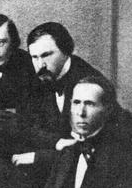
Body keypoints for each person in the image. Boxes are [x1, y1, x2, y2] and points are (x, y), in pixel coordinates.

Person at [11, 22, 105, 170]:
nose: (40, 65)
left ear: (66, 51)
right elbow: (24, 127)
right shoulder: (35, 77)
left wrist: (38, 157)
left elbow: (94, 148)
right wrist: (53, 142)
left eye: (46, 55)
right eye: (34, 57)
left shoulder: (90, 84)